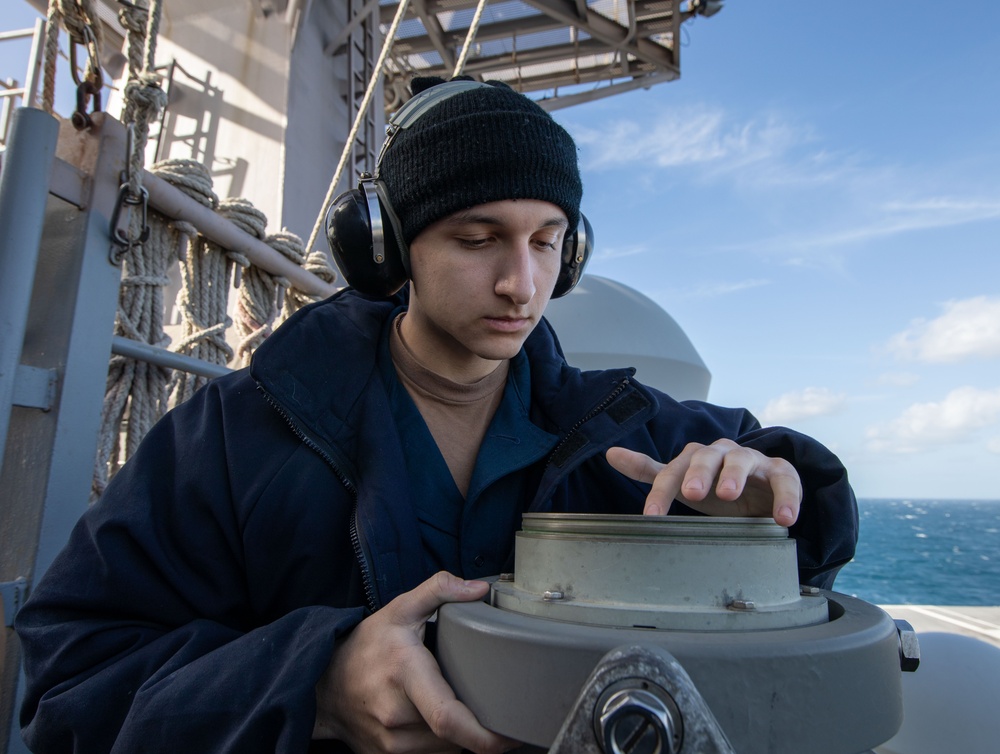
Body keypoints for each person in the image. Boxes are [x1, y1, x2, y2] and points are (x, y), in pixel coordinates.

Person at [14, 78, 857, 754]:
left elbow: (809, 519)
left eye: (546, 239)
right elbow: (68, 679)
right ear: (387, 247)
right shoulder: (238, 436)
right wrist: (315, 686)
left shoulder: (624, 430)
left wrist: (768, 505)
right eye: (477, 237)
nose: (520, 284)